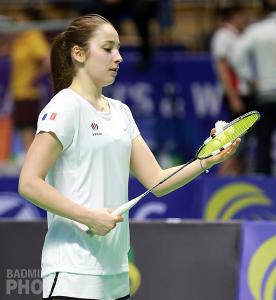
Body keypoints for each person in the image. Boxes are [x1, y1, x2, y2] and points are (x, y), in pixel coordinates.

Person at [18, 14, 239, 300]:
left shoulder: (121, 112)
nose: (119, 57)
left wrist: (205, 160)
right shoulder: (64, 107)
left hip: (117, 275)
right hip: (73, 272)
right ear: (79, 53)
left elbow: (157, 181)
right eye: (108, 48)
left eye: (119, 48)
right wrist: (88, 217)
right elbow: (29, 182)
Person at [233, 1, 276, 175]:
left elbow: (236, 56)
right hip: (266, 94)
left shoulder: (255, 31)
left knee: (263, 142)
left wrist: (250, 79)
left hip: (265, 93)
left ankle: (264, 185)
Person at [210, 4, 252, 175]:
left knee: (243, 146)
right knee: (233, 144)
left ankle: (239, 180)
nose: (246, 19)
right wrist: (233, 97)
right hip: (235, 96)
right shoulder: (224, 36)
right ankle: (218, 183)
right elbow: (223, 67)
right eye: (243, 15)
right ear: (235, 15)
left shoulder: (238, 36)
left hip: (244, 94)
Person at [10, 7, 50, 159]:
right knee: (21, 124)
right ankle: (28, 156)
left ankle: (32, 158)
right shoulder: (18, 39)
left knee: (29, 124)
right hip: (18, 90)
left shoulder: (33, 36)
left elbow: (47, 60)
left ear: (27, 19)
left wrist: (35, 79)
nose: (17, 21)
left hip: (29, 91)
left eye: (19, 18)